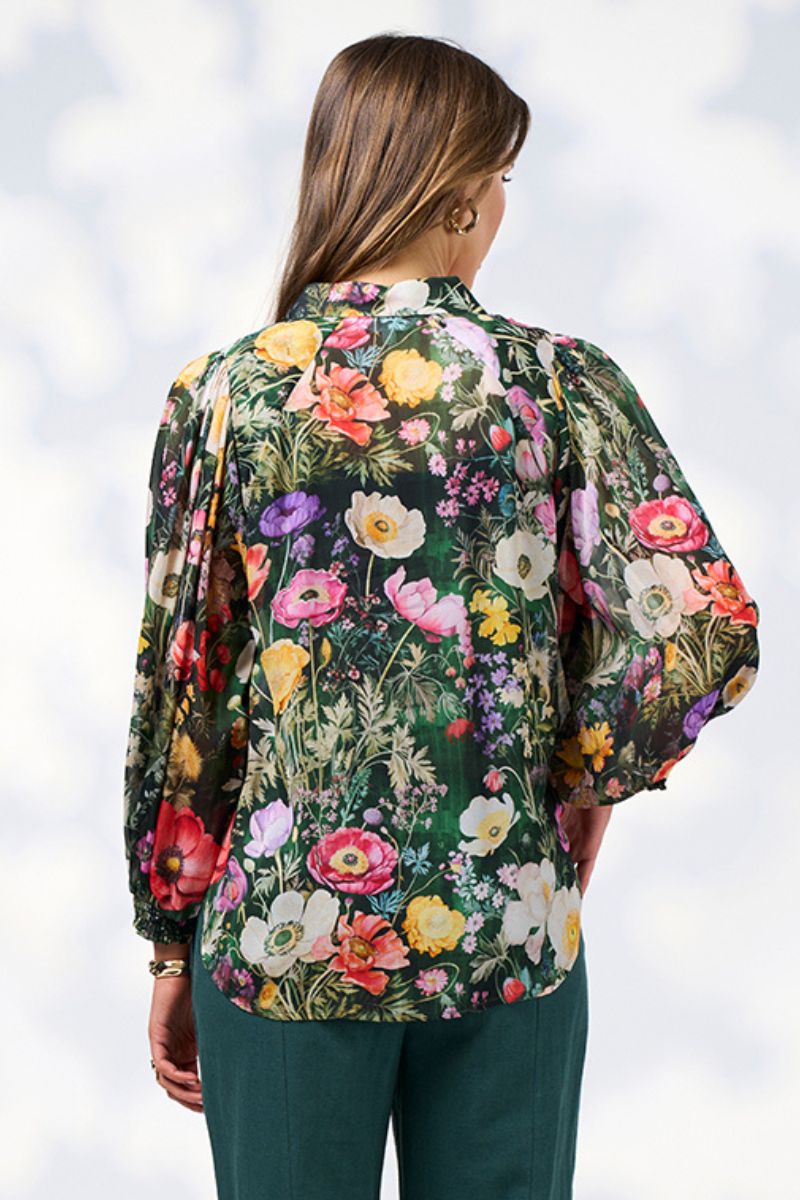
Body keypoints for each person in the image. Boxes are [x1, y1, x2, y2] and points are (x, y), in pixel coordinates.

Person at [123, 32, 761, 1200]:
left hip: (280, 937)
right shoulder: (556, 381)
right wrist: (579, 785)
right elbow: (697, 623)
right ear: (459, 193)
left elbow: (187, 684)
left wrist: (171, 939)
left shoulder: (225, 391)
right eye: (500, 178)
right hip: (507, 917)